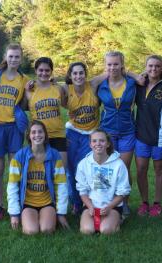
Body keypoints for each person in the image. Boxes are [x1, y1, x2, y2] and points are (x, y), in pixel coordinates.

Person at [0, 43, 29, 220]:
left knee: (14, 168)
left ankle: (15, 203)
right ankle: (0, 205)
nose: (13, 59)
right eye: (10, 56)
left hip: (14, 127)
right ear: (6, 57)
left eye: (17, 57)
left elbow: (26, 103)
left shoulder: (24, 79)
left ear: (21, 58)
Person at [7, 120, 69, 234]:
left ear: (45, 135)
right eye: (33, 132)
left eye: (40, 132)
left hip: (47, 202)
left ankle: (48, 216)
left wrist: (61, 213)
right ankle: (29, 218)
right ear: (29, 136)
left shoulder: (54, 155)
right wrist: (14, 214)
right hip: (28, 203)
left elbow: (61, 185)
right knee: (31, 231)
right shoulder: (19, 156)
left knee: (47, 229)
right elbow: (12, 186)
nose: (37, 135)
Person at [97, 51, 136, 217]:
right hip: (107, 133)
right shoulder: (100, 85)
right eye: (109, 64)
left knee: (123, 170)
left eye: (115, 64)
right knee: (106, 169)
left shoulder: (133, 83)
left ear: (122, 65)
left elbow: (153, 77)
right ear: (105, 66)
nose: (112, 67)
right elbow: (77, 86)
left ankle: (124, 203)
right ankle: (105, 203)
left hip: (127, 132)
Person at [64, 62, 105, 214]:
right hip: (73, 132)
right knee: (71, 169)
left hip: (90, 133)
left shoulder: (92, 85)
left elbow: (110, 70)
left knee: (87, 169)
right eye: (75, 73)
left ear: (85, 74)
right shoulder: (66, 90)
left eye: (81, 73)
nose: (78, 76)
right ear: (70, 75)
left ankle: (91, 200)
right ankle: (75, 202)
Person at [134, 55, 162, 217]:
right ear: (146, 67)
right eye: (150, 66)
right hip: (141, 135)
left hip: (160, 136)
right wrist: (136, 75)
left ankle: (156, 203)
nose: (153, 69)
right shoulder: (139, 84)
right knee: (141, 169)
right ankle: (144, 202)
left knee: (159, 169)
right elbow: (122, 71)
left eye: (157, 66)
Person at [76, 129, 131, 234]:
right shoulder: (83, 164)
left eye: (102, 141)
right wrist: (90, 206)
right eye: (94, 141)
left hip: (111, 206)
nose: (98, 144)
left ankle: (119, 218)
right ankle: (88, 219)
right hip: (91, 206)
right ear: (90, 144)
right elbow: (82, 191)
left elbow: (123, 192)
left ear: (108, 144)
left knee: (106, 230)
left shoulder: (118, 164)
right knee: (87, 230)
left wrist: (109, 207)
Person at [23, 57, 67, 169]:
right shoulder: (30, 89)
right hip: (38, 136)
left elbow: (67, 105)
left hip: (58, 134)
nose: (44, 73)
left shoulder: (58, 89)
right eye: (41, 70)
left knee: (61, 171)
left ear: (51, 71)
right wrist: (26, 90)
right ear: (36, 71)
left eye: (47, 70)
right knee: (41, 173)